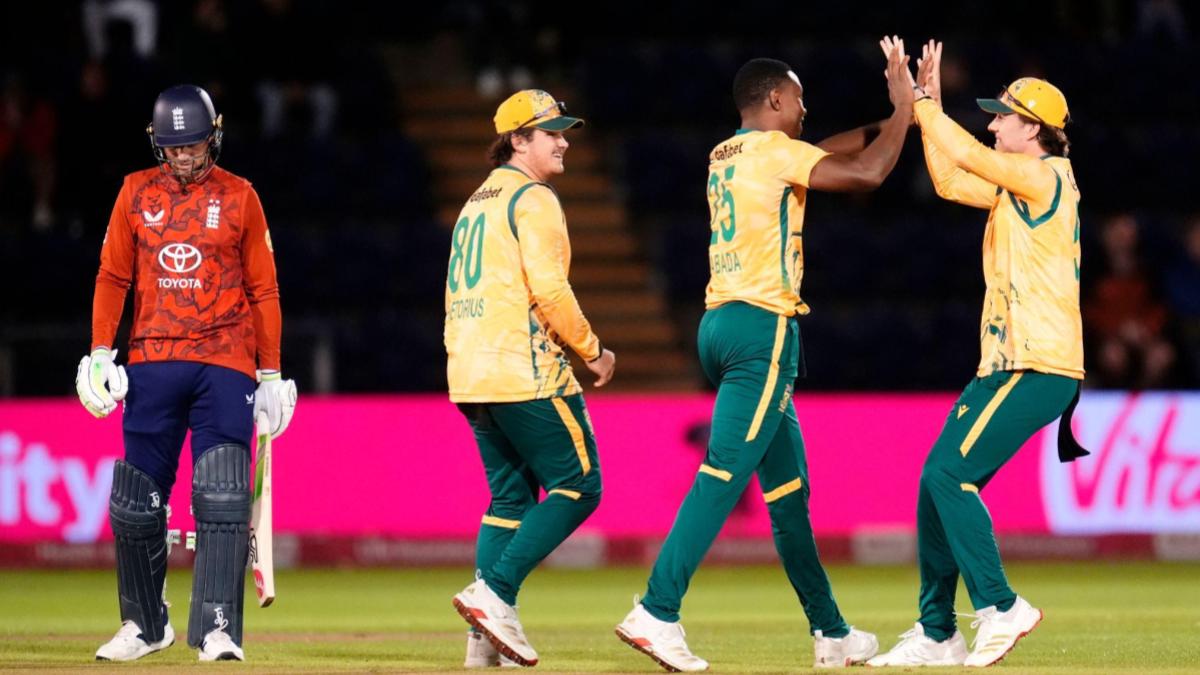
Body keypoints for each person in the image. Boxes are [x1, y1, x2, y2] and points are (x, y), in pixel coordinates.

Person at [615, 38, 917, 671]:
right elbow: (867, 173)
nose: (806, 110)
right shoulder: (777, 154)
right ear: (777, 99)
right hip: (763, 329)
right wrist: (904, 111)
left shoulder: (726, 154)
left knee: (787, 495)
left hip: (719, 324)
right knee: (723, 473)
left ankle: (831, 632)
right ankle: (657, 612)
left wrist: (901, 117)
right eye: (799, 100)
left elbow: (827, 149)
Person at [868, 41, 1086, 668]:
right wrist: (929, 110)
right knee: (934, 483)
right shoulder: (1019, 185)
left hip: (1039, 364)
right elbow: (949, 178)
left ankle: (1001, 606)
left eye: (1002, 117)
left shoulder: (1045, 176)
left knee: (947, 476)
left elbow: (965, 152)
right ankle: (937, 632)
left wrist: (922, 103)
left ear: (1033, 129)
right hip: (1007, 364)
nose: (992, 125)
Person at [77, 84, 297, 662]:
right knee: (135, 499)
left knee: (222, 494)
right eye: (174, 148)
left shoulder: (241, 196)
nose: (183, 156)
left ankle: (219, 628)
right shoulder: (134, 192)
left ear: (213, 138)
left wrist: (270, 373)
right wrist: (99, 352)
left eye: (193, 145)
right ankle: (145, 625)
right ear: (158, 144)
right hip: (151, 359)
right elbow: (112, 277)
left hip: (225, 360)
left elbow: (264, 289)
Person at [447, 89, 616, 669]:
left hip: (471, 370)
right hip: (523, 369)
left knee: (510, 498)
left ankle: (482, 640)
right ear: (517, 140)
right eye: (551, 133)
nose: (564, 142)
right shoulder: (533, 197)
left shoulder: (477, 202)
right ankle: (494, 595)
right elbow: (549, 288)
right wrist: (591, 351)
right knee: (580, 485)